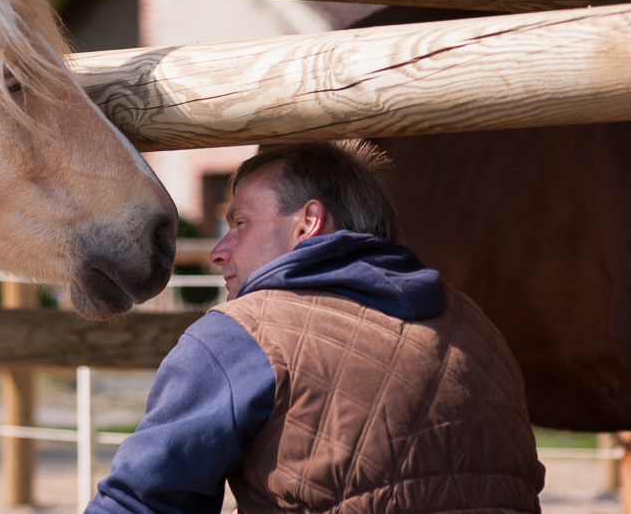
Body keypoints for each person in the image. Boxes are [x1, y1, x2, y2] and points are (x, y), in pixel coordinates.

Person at [86, 140, 544, 514]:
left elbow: (138, 504)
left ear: (308, 222)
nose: (219, 251)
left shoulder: (238, 336)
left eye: (240, 223)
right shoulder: (477, 328)